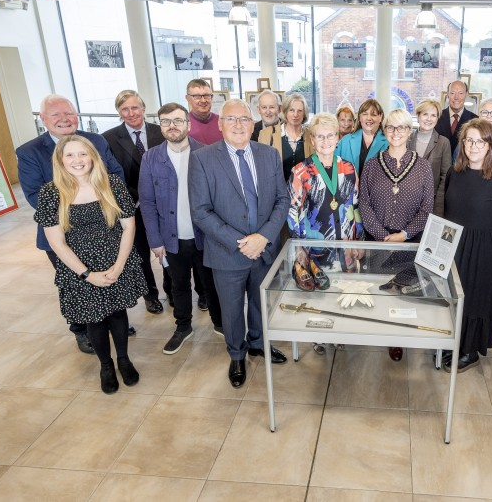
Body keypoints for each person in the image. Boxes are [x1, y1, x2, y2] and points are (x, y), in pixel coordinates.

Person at [189, 99, 290, 389]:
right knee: (232, 309)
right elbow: (200, 210)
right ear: (220, 124)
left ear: (253, 123)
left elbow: (282, 200)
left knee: (261, 302)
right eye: (231, 119)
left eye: (244, 119)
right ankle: (237, 354)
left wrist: (264, 237)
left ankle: (258, 343)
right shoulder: (203, 159)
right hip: (227, 253)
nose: (238, 125)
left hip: (264, 248)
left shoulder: (269, 155)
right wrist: (240, 243)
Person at [34, 135, 147, 394]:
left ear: (93, 157)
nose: (78, 160)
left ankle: (123, 359)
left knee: (118, 313)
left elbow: (129, 226)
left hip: (115, 260)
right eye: (70, 155)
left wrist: (119, 266)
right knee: (94, 319)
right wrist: (87, 275)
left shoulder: (112, 184)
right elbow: (57, 243)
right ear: (60, 160)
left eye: (83, 154)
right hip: (79, 269)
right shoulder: (51, 193)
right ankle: (106, 366)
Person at [17, 94, 125, 354]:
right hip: (63, 237)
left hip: (104, 233)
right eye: (56, 115)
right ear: (43, 119)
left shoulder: (96, 140)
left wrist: (101, 216)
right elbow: (34, 195)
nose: (64, 119)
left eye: (69, 113)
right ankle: (81, 330)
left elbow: (114, 175)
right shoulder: (29, 151)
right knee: (77, 286)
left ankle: (111, 320)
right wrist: (78, 217)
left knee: (108, 278)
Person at [139, 103, 223, 355]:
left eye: (177, 120)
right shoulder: (151, 158)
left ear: (188, 124)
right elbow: (147, 202)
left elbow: (218, 198)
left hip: (204, 236)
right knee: (179, 286)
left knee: (210, 283)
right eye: (165, 121)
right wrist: (154, 240)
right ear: (160, 126)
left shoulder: (206, 153)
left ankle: (220, 323)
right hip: (171, 239)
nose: (172, 125)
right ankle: (183, 327)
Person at [443, 118, 492, 372]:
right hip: (455, 246)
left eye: (480, 141)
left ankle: (470, 349)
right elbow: (446, 211)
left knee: (475, 299)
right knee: (453, 297)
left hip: (484, 250)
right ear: (463, 143)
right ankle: (453, 341)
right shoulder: (454, 173)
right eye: (469, 140)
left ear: (490, 145)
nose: (473, 146)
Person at [359, 109, 434, 362]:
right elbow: (364, 205)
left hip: (410, 243)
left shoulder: (423, 167)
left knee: (403, 292)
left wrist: (404, 234)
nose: (396, 133)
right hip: (377, 243)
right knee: (380, 290)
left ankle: (398, 337)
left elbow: (427, 209)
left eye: (401, 128)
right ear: (384, 130)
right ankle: (382, 331)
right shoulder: (371, 166)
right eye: (391, 127)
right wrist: (382, 237)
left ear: (409, 131)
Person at [287, 112, 363, 354]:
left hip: (345, 245)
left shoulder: (349, 168)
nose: (325, 140)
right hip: (316, 246)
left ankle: (340, 332)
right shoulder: (301, 171)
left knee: (341, 290)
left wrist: (358, 240)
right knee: (320, 294)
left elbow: (356, 205)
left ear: (338, 137)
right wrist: (301, 249)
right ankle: (318, 335)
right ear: (312, 138)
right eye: (320, 136)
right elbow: (294, 214)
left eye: (330, 135)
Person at [102, 89, 167, 315]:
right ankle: (150, 295)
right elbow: (110, 175)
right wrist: (137, 197)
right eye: (125, 109)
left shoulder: (161, 132)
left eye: (135, 107)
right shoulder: (108, 138)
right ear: (119, 112)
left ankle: (172, 289)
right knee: (140, 253)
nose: (131, 113)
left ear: (143, 108)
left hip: (164, 204)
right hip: (132, 206)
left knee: (167, 249)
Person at [407, 99, 451, 216]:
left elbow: (445, 177)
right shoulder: (406, 139)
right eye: (425, 114)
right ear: (418, 116)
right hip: (406, 202)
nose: (429, 119)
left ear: (437, 118)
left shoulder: (443, 143)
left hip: (432, 203)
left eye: (433, 115)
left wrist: (437, 209)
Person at [258, 92, 314, 181]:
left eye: (300, 111)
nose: (295, 114)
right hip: (278, 191)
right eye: (291, 110)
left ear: (304, 114)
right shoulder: (266, 134)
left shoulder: (311, 135)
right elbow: (262, 169)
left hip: (305, 190)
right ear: (285, 112)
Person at [336, 98, 388, 176]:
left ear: (380, 117)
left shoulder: (388, 143)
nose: (369, 118)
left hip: (378, 188)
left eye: (373, 114)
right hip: (348, 187)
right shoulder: (345, 141)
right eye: (365, 114)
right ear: (359, 117)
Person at [434, 80, 478, 154]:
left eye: (460, 93)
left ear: (466, 94)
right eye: (452, 93)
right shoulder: (437, 116)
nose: (456, 97)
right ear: (448, 94)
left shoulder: (475, 120)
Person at [185, 79, 222, 145]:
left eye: (207, 95)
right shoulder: (183, 125)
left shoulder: (223, 121)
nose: (203, 100)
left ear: (212, 97)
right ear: (188, 99)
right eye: (197, 96)